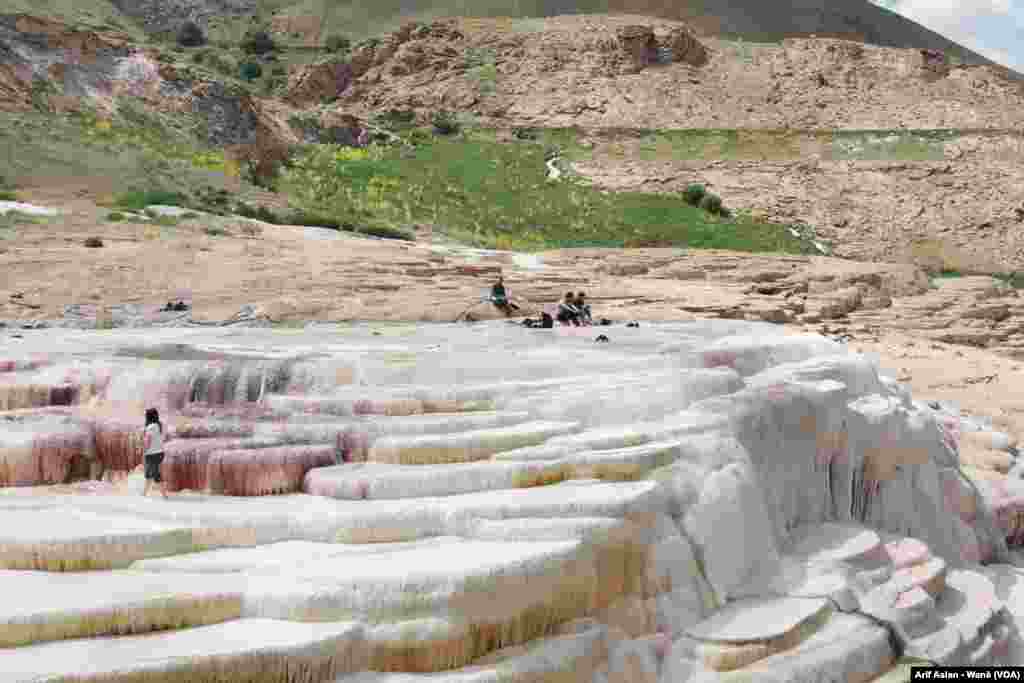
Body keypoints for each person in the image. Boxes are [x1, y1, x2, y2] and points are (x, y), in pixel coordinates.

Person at [143, 407, 166, 498]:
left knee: (155, 475)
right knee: (149, 474)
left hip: (152, 453)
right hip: (160, 452)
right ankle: (144, 493)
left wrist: (144, 450)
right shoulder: (159, 425)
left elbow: (148, 441)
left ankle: (165, 496)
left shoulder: (150, 427)